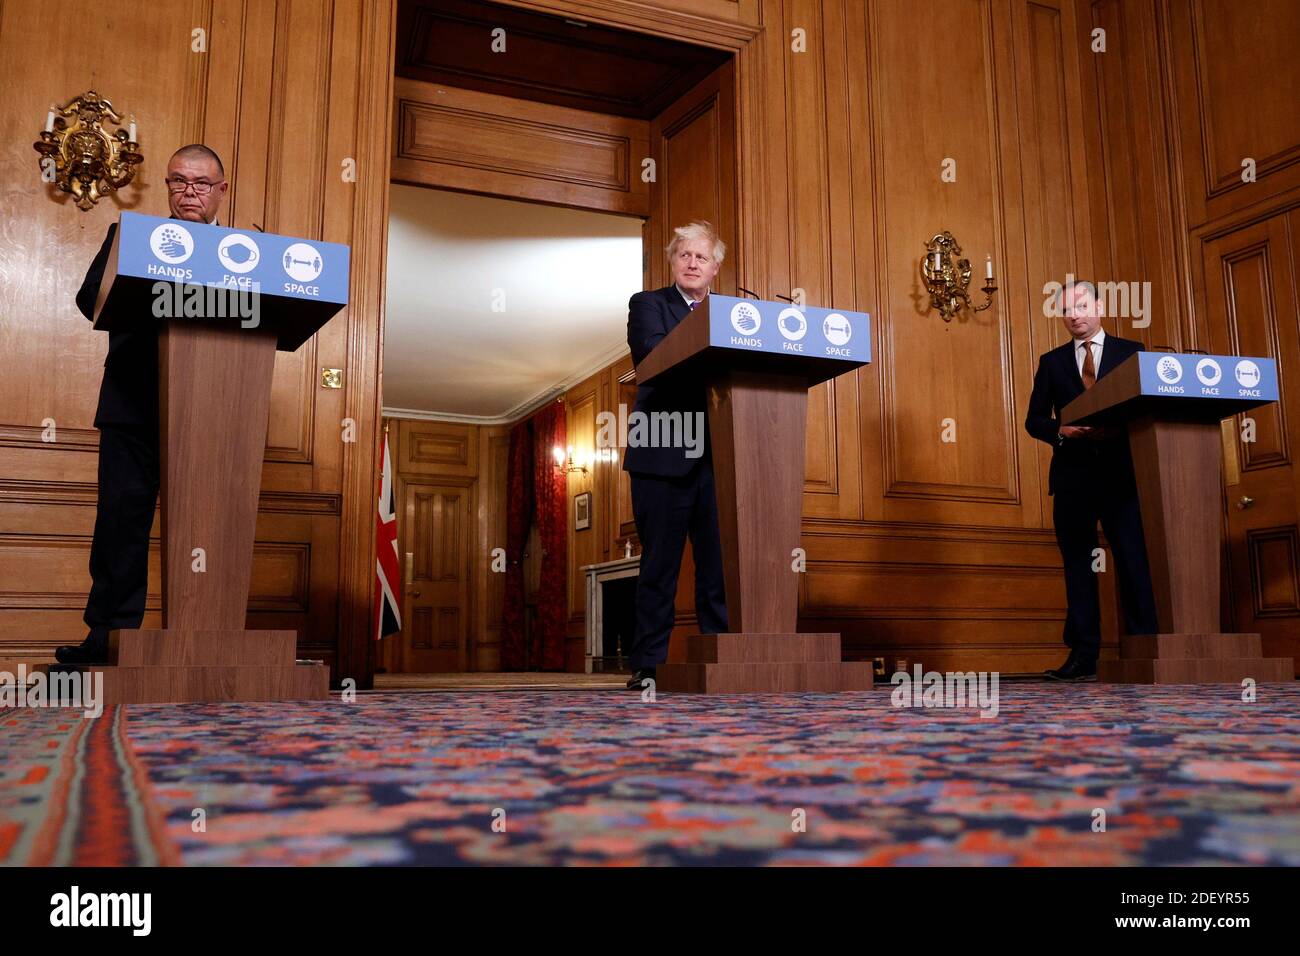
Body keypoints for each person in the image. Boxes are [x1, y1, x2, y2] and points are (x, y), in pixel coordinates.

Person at [55, 145, 230, 665]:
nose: (189, 191)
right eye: (179, 181)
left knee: (208, 528)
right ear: (168, 187)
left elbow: (259, 315)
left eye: (201, 183)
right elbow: (92, 300)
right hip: (132, 406)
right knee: (120, 525)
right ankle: (107, 639)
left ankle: (209, 639)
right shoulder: (132, 239)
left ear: (221, 189)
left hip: (210, 410)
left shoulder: (245, 251)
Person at [1025, 279, 1158, 681]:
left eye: (1081, 306)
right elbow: (1034, 420)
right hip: (1072, 478)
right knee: (1079, 568)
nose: (1075, 315)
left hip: (1122, 475)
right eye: (1067, 310)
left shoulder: (1132, 353)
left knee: (1133, 560)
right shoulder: (1052, 362)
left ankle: (1144, 648)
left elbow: (1146, 405)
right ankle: (1083, 656)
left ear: (1099, 306)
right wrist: (1060, 433)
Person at [622, 221, 729, 690]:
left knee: (718, 566)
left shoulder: (733, 314)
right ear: (673, 262)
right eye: (684, 255)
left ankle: (720, 652)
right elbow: (652, 355)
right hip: (661, 450)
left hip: (721, 455)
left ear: (715, 268)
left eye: (701, 257)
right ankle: (648, 664)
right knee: (659, 565)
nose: (691, 263)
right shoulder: (647, 305)